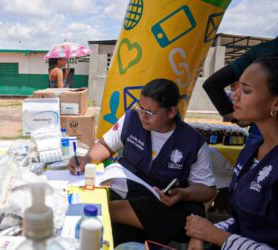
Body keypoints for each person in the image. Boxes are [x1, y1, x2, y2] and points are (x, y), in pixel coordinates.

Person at [68, 79, 216, 246]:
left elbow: (207, 190)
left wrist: (184, 193)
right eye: (140, 108)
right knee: (130, 234)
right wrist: (86, 160)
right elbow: (105, 145)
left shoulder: (192, 142)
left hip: (160, 203)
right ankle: (120, 214)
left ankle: (111, 210)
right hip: (126, 192)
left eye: (150, 113)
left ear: (172, 112)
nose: (143, 116)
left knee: (193, 211)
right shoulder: (131, 120)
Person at [186, 56, 278, 250]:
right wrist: (203, 233)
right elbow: (243, 222)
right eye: (236, 87)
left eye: (246, 90)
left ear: (275, 103)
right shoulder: (254, 149)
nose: (233, 96)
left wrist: (216, 235)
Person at [203, 37, 278, 145]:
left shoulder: (265, 49)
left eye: (246, 90)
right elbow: (212, 84)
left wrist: (232, 116)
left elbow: (212, 83)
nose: (234, 95)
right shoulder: (265, 50)